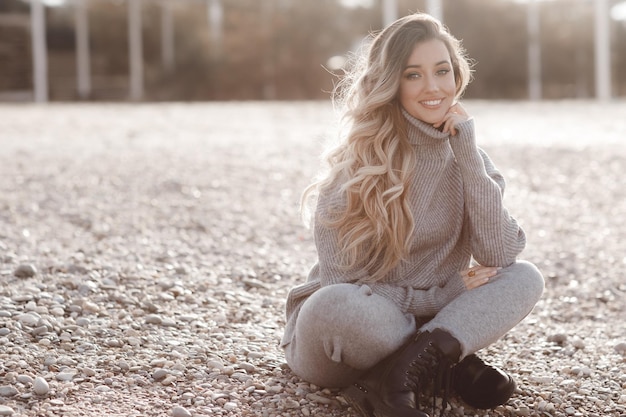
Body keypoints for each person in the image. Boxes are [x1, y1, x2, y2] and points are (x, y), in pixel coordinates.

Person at [280, 12, 544, 417]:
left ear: (457, 75)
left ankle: (400, 375)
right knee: (337, 306)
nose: (433, 87)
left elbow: (500, 254)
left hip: (415, 320)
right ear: (392, 84)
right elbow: (343, 284)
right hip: (339, 336)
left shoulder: (470, 159)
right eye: (414, 75)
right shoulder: (357, 165)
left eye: (442, 71)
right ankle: (442, 365)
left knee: (525, 276)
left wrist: (469, 156)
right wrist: (446, 295)